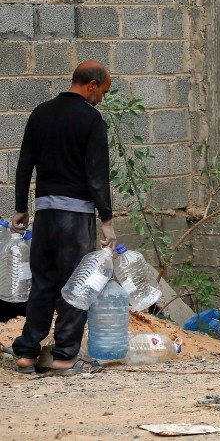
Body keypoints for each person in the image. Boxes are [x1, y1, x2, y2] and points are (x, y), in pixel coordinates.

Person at [11, 60, 117, 375]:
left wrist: (21, 207)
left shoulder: (40, 113)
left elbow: (24, 163)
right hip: (76, 217)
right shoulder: (91, 119)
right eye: (103, 92)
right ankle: (64, 356)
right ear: (92, 85)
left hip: (45, 214)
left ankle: (28, 353)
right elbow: (97, 174)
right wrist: (107, 220)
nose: (101, 99)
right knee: (76, 286)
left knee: (43, 283)